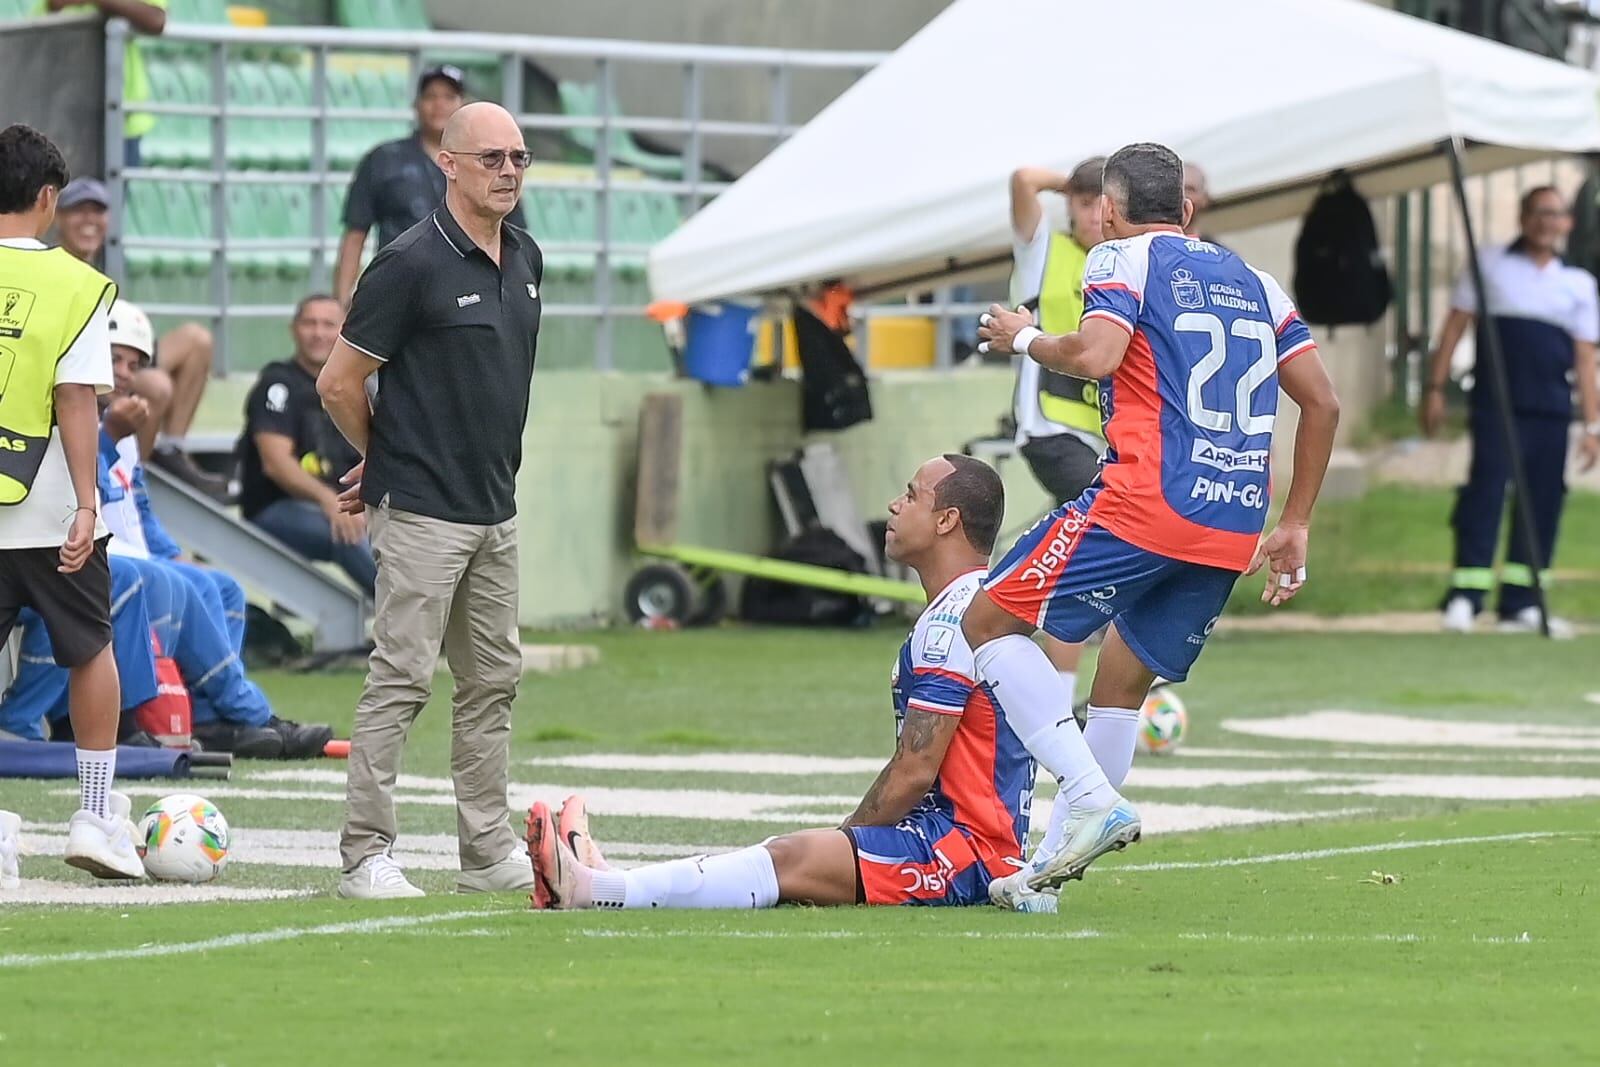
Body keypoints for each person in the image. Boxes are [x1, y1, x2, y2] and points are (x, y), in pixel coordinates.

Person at [972, 142, 1340, 907]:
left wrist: (1024, 337)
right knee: (1119, 687)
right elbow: (1324, 402)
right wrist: (1295, 520)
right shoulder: (1258, 282)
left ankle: (1087, 794)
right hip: (1234, 520)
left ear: (1108, 211)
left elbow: (1097, 356)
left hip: (1145, 500)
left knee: (986, 622)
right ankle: (1043, 878)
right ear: (1189, 208)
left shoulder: (1120, 258)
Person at [529, 455, 1054, 912]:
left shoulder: (954, 618)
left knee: (793, 859)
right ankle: (608, 881)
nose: (894, 505)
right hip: (959, 841)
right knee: (794, 855)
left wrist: (848, 841)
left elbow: (914, 770)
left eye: (911, 495)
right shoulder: (975, 604)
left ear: (947, 520)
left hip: (964, 853)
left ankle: (592, 888)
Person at [318, 102, 543, 898]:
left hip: (496, 507)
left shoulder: (525, 256)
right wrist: (379, 452)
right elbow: (339, 381)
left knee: (492, 682)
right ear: (447, 164)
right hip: (421, 509)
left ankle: (486, 849)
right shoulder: (409, 262)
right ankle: (365, 854)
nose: (509, 171)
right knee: (402, 678)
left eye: (519, 156)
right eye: (492, 158)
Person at [87, 299, 335, 756]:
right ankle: (249, 711)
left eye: (133, 364)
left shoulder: (123, 428)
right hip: (101, 559)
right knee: (174, 582)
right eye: (114, 359)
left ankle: (210, 717)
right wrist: (107, 437)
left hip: (133, 555)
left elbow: (139, 511)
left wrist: (170, 550)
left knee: (222, 587)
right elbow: (83, 488)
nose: (124, 373)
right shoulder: (82, 420)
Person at [0, 124, 144, 885]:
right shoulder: (75, 284)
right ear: (49, 198)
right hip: (51, 503)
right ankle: (93, 814)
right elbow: (75, 399)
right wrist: (90, 504)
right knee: (90, 647)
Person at [1422, 186, 1600, 638]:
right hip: (1496, 405)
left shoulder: (1577, 284)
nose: (1547, 221)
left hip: (1551, 411)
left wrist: (1593, 425)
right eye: (1539, 212)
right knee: (1485, 492)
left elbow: (1584, 359)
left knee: (1543, 500)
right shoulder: (1490, 265)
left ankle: (1523, 602)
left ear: (1567, 224)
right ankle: (1466, 596)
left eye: (1555, 214)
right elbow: (1454, 326)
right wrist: (1435, 388)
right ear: (1523, 217)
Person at [1006, 157, 1107, 723]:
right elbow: (1023, 180)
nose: (1094, 215)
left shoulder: (1120, 264)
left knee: (1073, 556)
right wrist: (1073, 181)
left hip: (1098, 437)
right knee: (1097, 545)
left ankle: (1054, 691)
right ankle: (1064, 702)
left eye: (1102, 202)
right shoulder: (1046, 250)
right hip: (1049, 429)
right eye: (1084, 203)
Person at [52, 175, 223, 495]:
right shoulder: (53, 267)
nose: (89, 221)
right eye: (79, 211)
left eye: (97, 211)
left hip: (113, 357)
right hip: (81, 371)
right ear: (58, 216)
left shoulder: (99, 267)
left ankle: (170, 448)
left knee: (197, 339)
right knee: (156, 386)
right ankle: (131, 478)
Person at [333, 65, 529, 306]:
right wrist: (342, 303)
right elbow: (356, 233)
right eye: (430, 96)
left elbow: (512, 234)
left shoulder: (492, 162)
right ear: (416, 104)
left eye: (449, 97)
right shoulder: (384, 159)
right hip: (399, 290)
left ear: (463, 104)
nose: (439, 105)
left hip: (472, 294)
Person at [238, 294, 374, 597]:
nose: (318, 333)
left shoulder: (354, 388)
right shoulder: (277, 384)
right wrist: (329, 502)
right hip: (275, 509)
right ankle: (415, 623)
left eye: (328, 324)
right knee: (349, 533)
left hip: (341, 507)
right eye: (309, 323)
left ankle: (427, 619)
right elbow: (276, 464)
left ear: (344, 330)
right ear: (293, 329)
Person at [35, 1, 168, 167]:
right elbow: (48, 11)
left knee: (113, 190)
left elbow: (155, 19)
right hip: (68, 121)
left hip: (119, 119)